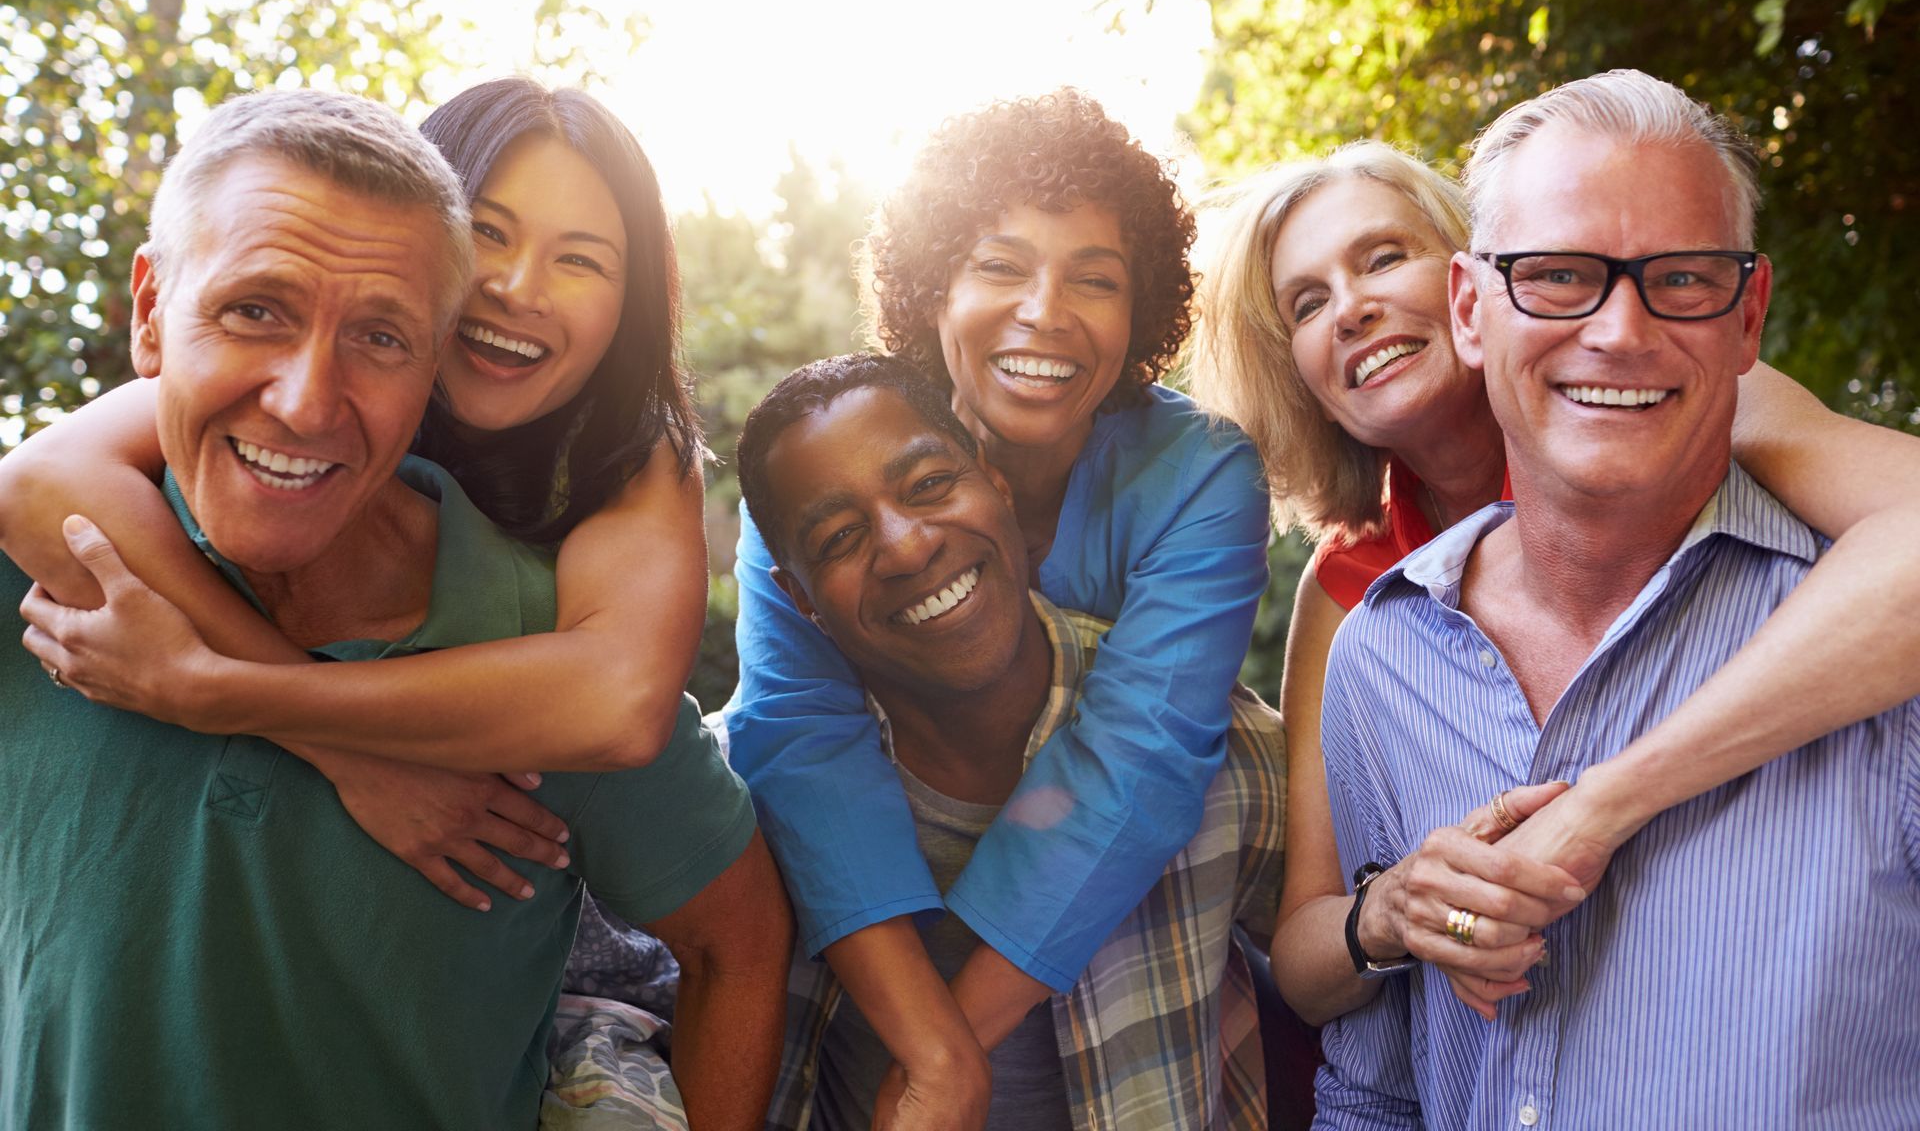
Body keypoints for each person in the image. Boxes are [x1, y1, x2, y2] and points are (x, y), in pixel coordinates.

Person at [1, 89, 790, 1128]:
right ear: (154, 313)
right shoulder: (81, 541)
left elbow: (631, 722)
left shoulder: (601, 518)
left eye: (380, 334)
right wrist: (332, 738)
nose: (305, 396)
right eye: (257, 309)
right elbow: (32, 480)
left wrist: (210, 686)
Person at [1187, 109, 1920, 1025]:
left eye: (1381, 258)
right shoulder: (1351, 592)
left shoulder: (1659, 396)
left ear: (1479, 289)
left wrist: (1604, 805)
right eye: (1307, 302)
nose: (1351, 308)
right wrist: (1393, 908)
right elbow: (1304, 953)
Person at [721, 91, 1275, 1099]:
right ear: (934, 288)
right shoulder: (812, 469)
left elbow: (1140, 754)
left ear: (1139, 308)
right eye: (1001, 265)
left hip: (1111, 958)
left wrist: (947, 1058)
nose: (1045, 312)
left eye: (1094, 279)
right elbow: (799, 740)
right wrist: (926, 1045)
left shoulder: (1198, 473)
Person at [731, 353, 1284, 1129]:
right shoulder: (740, 808)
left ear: (996, 481)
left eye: (927, 486)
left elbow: (1348, 975)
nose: (904, 546)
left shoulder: (1224, 755)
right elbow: (617, 1007)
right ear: (798, 601)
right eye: (838, 538)